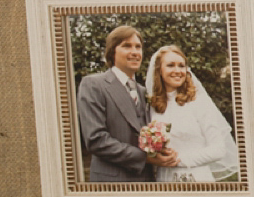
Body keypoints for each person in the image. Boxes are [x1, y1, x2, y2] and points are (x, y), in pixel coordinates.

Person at [76, 26, 178, 182]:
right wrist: (145, 158)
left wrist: (162, 151)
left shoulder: (144, 92)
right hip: (112, 183)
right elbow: (96, 139)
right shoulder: (94, 85)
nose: (135, 52)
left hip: (146, 182)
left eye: (138, 47)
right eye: (126, 46)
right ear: (112, 52)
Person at [144, 45, 240, 183]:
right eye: (170, 65)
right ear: (159, 70)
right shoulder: (153, 107)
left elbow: (219, 149)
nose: (177, 71)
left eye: (181, 66)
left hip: (196, 178)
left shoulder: (198, 103)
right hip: (163, 179)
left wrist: (178, 160)